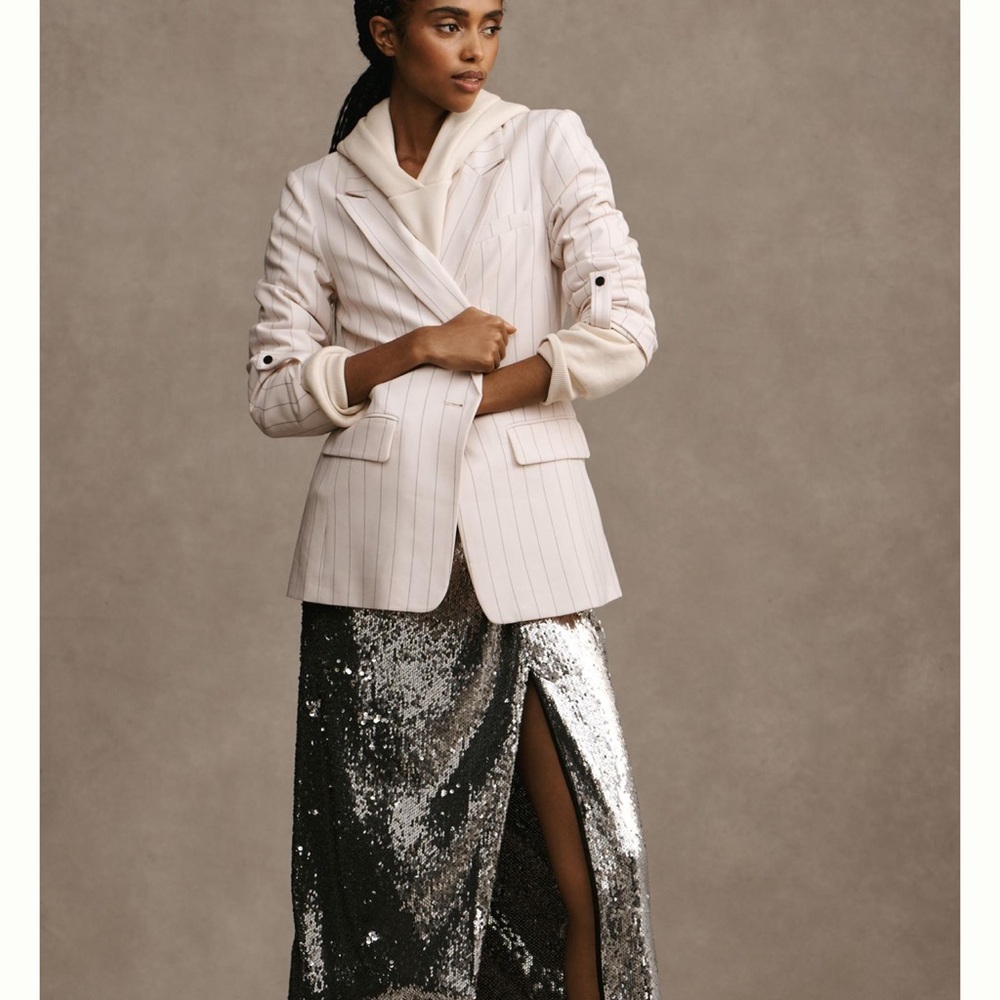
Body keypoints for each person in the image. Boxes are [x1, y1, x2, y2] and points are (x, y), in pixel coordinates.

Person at [248, 2, 662, 998]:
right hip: (379, 569)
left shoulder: (547, 143)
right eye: (447, 23)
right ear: (386, 34)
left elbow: (622, 330)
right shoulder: (319, 192)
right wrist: (417, 349)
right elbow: (273, 391)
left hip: (531, 549)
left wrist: (465, 397)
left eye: (490, 23)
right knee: (389, 895)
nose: (476, 48)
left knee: (592, 870)